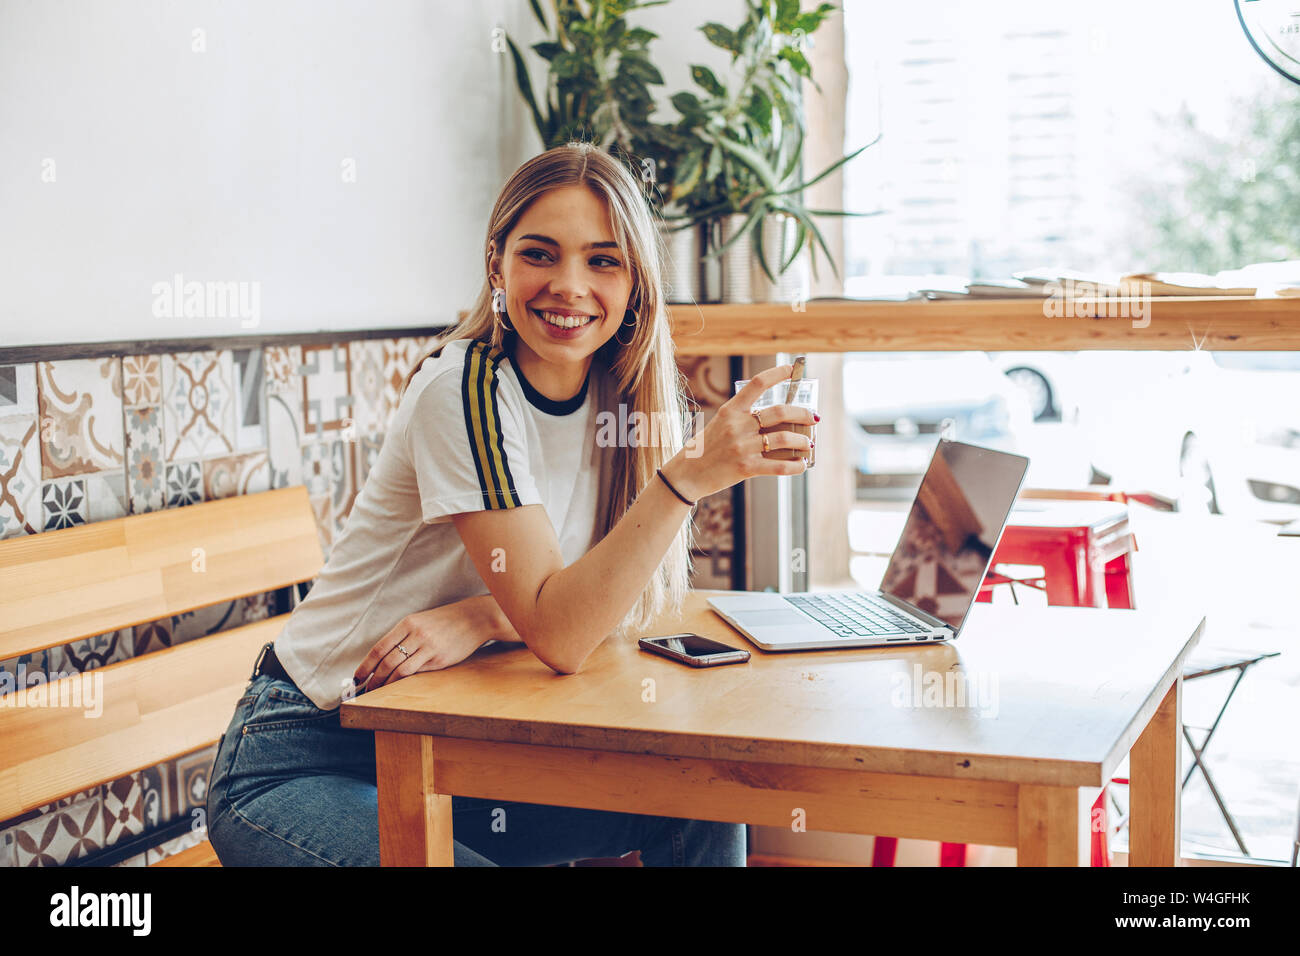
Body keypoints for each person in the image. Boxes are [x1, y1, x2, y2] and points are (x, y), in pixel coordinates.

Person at [206, 142, 816, 866]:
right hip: (305, 756)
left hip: (448, 747)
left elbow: (608, 603)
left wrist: (484, 616)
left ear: (635, 286)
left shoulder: (624, 398)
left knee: (699, 802)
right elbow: (562, 635)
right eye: (539, 254)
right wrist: (687, 478)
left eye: (603, 260)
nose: (569, 286)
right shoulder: (464, 391)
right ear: (497, 265)